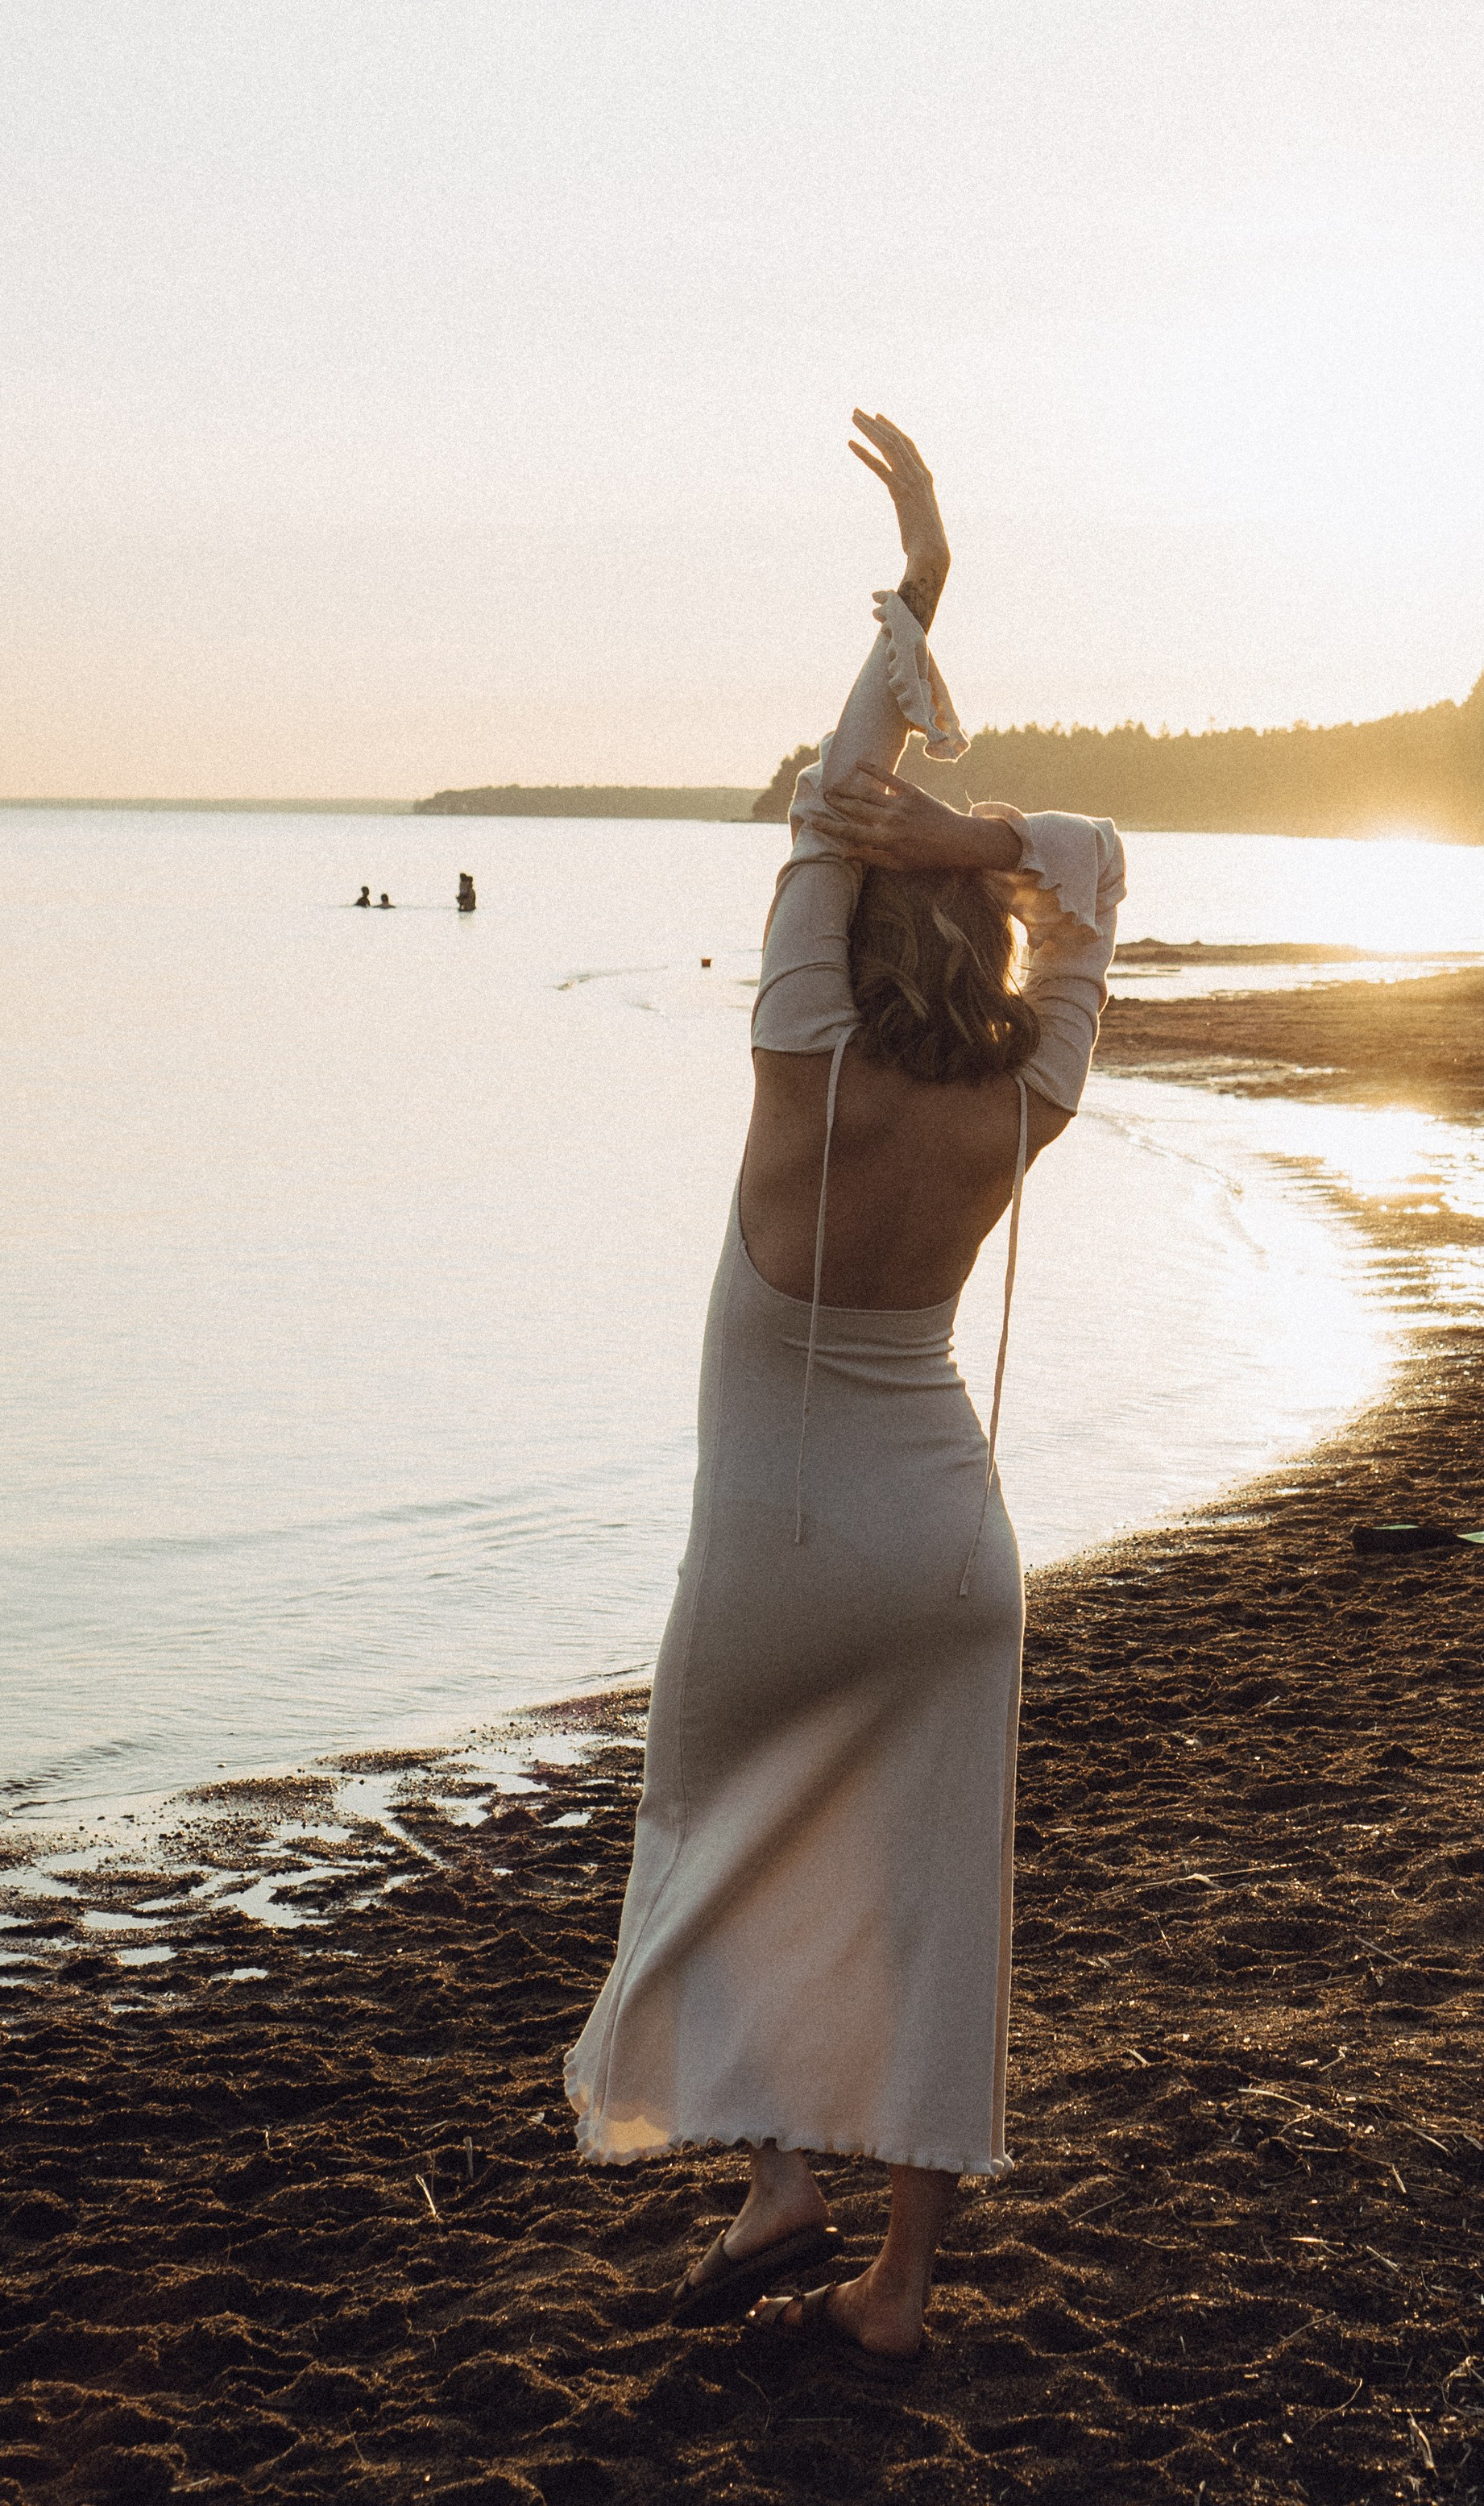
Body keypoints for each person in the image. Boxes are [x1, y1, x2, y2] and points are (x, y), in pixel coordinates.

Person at [565, 413, 1125, 2364]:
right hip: (952, 1546)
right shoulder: (1021, 1093)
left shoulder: (796, 1041)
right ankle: (887, 2282)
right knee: (927, 1906)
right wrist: (974, 838)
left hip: (782, 1546)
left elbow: (824, 792)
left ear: (838, 908)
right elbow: (1096, 863)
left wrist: (918, 589)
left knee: (704, 1834)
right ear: (972, 925)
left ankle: (770, 2169)